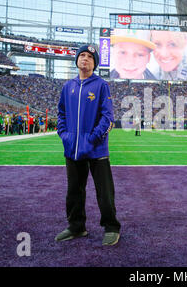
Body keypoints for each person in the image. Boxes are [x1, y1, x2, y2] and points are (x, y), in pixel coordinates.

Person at [56, 44, 121, 246]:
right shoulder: (68, 86)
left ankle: (111, 227)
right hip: (72, 149)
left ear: (94, 63)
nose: (85, 58)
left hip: (97, 149)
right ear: (76, 60)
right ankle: (77, 227)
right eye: (82, 55)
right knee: (74, 191)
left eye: (90, 57)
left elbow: (108, 117)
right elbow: (61, 114)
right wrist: (65, 136)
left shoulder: (101, 85)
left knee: (105, 192)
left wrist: (92, 139)